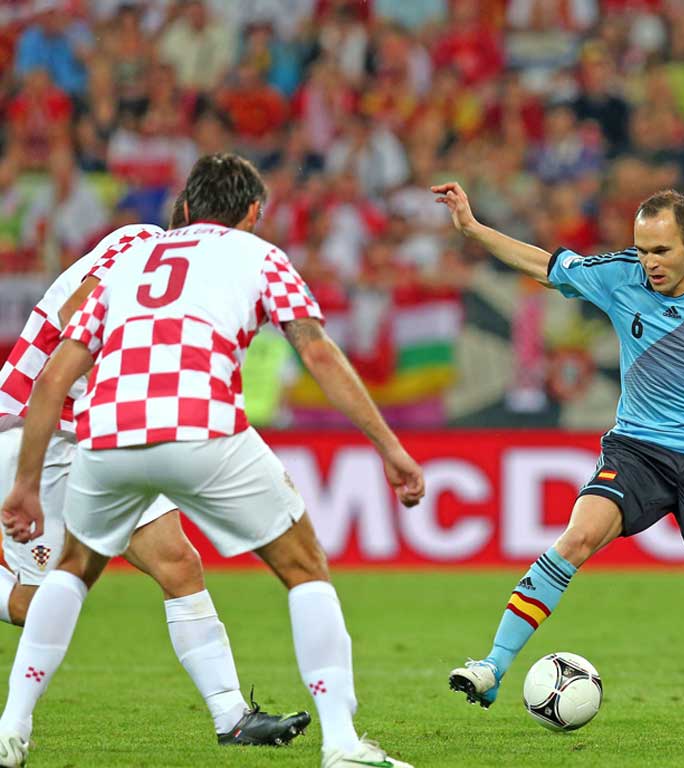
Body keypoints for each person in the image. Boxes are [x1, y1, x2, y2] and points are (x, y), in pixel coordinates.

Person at [0, 154, 426, 768]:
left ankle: (225, 716)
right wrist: (390, 447)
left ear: (187, 208)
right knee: (304, 564)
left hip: (100, 426)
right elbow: (319, 352)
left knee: (154, 564)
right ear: (252, 214)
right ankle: (342, 742)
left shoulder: (137, 258)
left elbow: (67, 353)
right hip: (71, 426)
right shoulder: (239, 253)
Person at [432, 181, 684, 708]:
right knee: (576, 539)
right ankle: (492, 665)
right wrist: (472, 228)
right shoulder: (618, 275)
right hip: (637, 450)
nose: (648, 262)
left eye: (661, 250)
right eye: (642, 249)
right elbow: (543, 264)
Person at [0, 209, 310, 747]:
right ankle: (13, 728)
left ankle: (232, 717)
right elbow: (80, 310)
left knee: (180, 564)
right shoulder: (142, 241)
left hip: (100, 436)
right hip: (35, 427)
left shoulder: (180, 281)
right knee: (36, 602)